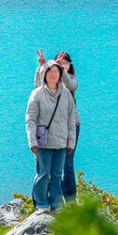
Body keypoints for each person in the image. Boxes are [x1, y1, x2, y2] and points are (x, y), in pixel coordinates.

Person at [26, 60, 76, 212]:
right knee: (43, 173)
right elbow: (30, 119)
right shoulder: (37, 94)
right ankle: (40, 203)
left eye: (56, 71)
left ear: (60, 75)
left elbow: (71, 119)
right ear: (44, 74)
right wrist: (32, 141)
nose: (53, 74)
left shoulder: (66, 94)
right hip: (43, 142)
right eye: (50, 72)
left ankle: (56, 203)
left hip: (61, 142)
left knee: (56, 174)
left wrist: (71, 142)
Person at [35, 50, 80, 200]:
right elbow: (37, 86)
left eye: (66, 63)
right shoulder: (50, 80)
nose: (64, 65)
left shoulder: (71, 79)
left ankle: (70, 198)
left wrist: (61, 71)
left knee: (68, 163)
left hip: (71, 124)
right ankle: (54, 196)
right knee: (52, 165)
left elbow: (70, 85)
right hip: (52, 126)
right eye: (60, 62)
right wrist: (42, 66)